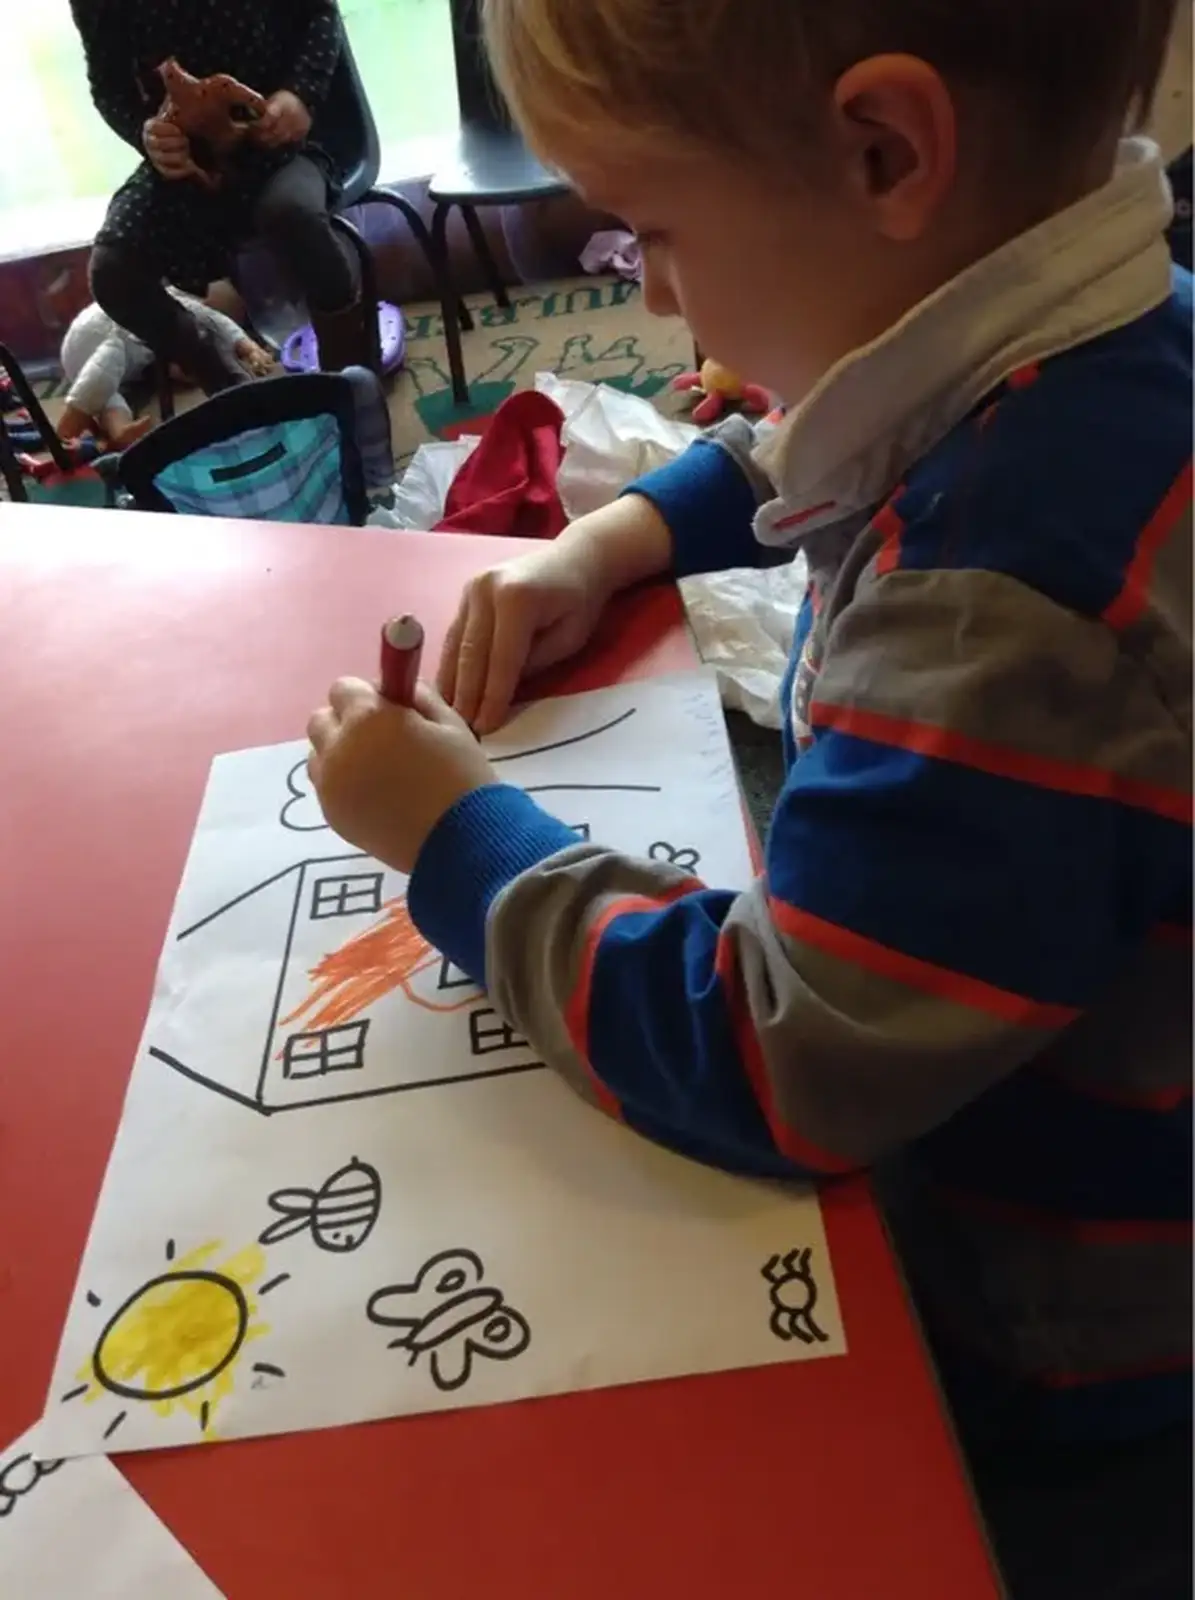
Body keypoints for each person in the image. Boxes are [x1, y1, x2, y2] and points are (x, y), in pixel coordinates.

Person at [306, 2, 1192, 1590]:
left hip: (1049, 1332)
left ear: (881, 151)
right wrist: (614, 539)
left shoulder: (1002, 609)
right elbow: (838, 429)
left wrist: (455, 838)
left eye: (652, 230)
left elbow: (779, 1058)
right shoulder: (1109, 334)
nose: (641, 288)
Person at [71, 0, 367, 394]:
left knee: (292, 212)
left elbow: (320, 14)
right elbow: (109, 86)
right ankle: (228, 385)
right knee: (113, 271)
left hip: (288, 142)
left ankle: (351, 380)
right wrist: (147, 134)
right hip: (190, 159)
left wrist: (300, 94)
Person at [56, 282, 273, 449]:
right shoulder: (170, 309)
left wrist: (248, 348)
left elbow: (219, 327)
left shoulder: (159, 341)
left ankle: (121, 431)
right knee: (107, 374)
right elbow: (219, 322)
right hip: (91, 342)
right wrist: (249, 348)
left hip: (113, 354)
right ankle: (86, 422)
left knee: (111, 397)